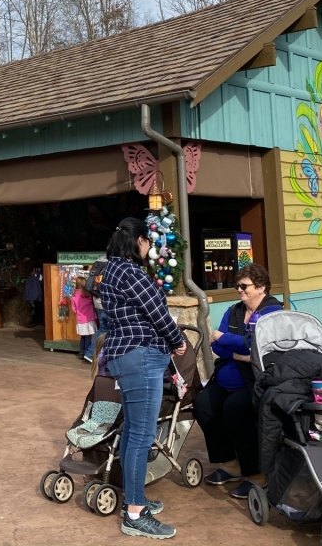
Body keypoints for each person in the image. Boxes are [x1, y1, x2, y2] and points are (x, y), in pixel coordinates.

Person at [98, 217, 185, 539]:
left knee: (135, 432)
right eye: (146, 241)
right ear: (137, 241)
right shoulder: (131, 272)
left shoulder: (110, 271)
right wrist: (178, 341)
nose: (148, 246)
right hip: (141, 356)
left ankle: (134, 501)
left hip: (127, 355)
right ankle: (134, 514)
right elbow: (157, 312)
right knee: (141, 436)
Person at [193, 263, 283, 501]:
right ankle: (231, 465)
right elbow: (218, 345)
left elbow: (257, 345)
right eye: (237, 286)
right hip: (230, 376)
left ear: (261, 287)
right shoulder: (233, 311)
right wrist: (238, 350)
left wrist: (227, 339)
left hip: (257, 381)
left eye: (244, 286)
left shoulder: (272, 312)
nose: (239, 290)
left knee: (234, 409)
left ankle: (255, 475)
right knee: (203, 403)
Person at [72, 276, 97, 361]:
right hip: (88, 319)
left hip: (80, 320)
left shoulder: (74, 296)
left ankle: (81, 352)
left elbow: (74, 309)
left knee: (83, 337)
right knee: (88, 337)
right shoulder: (88, 295)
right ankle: (87, 353)